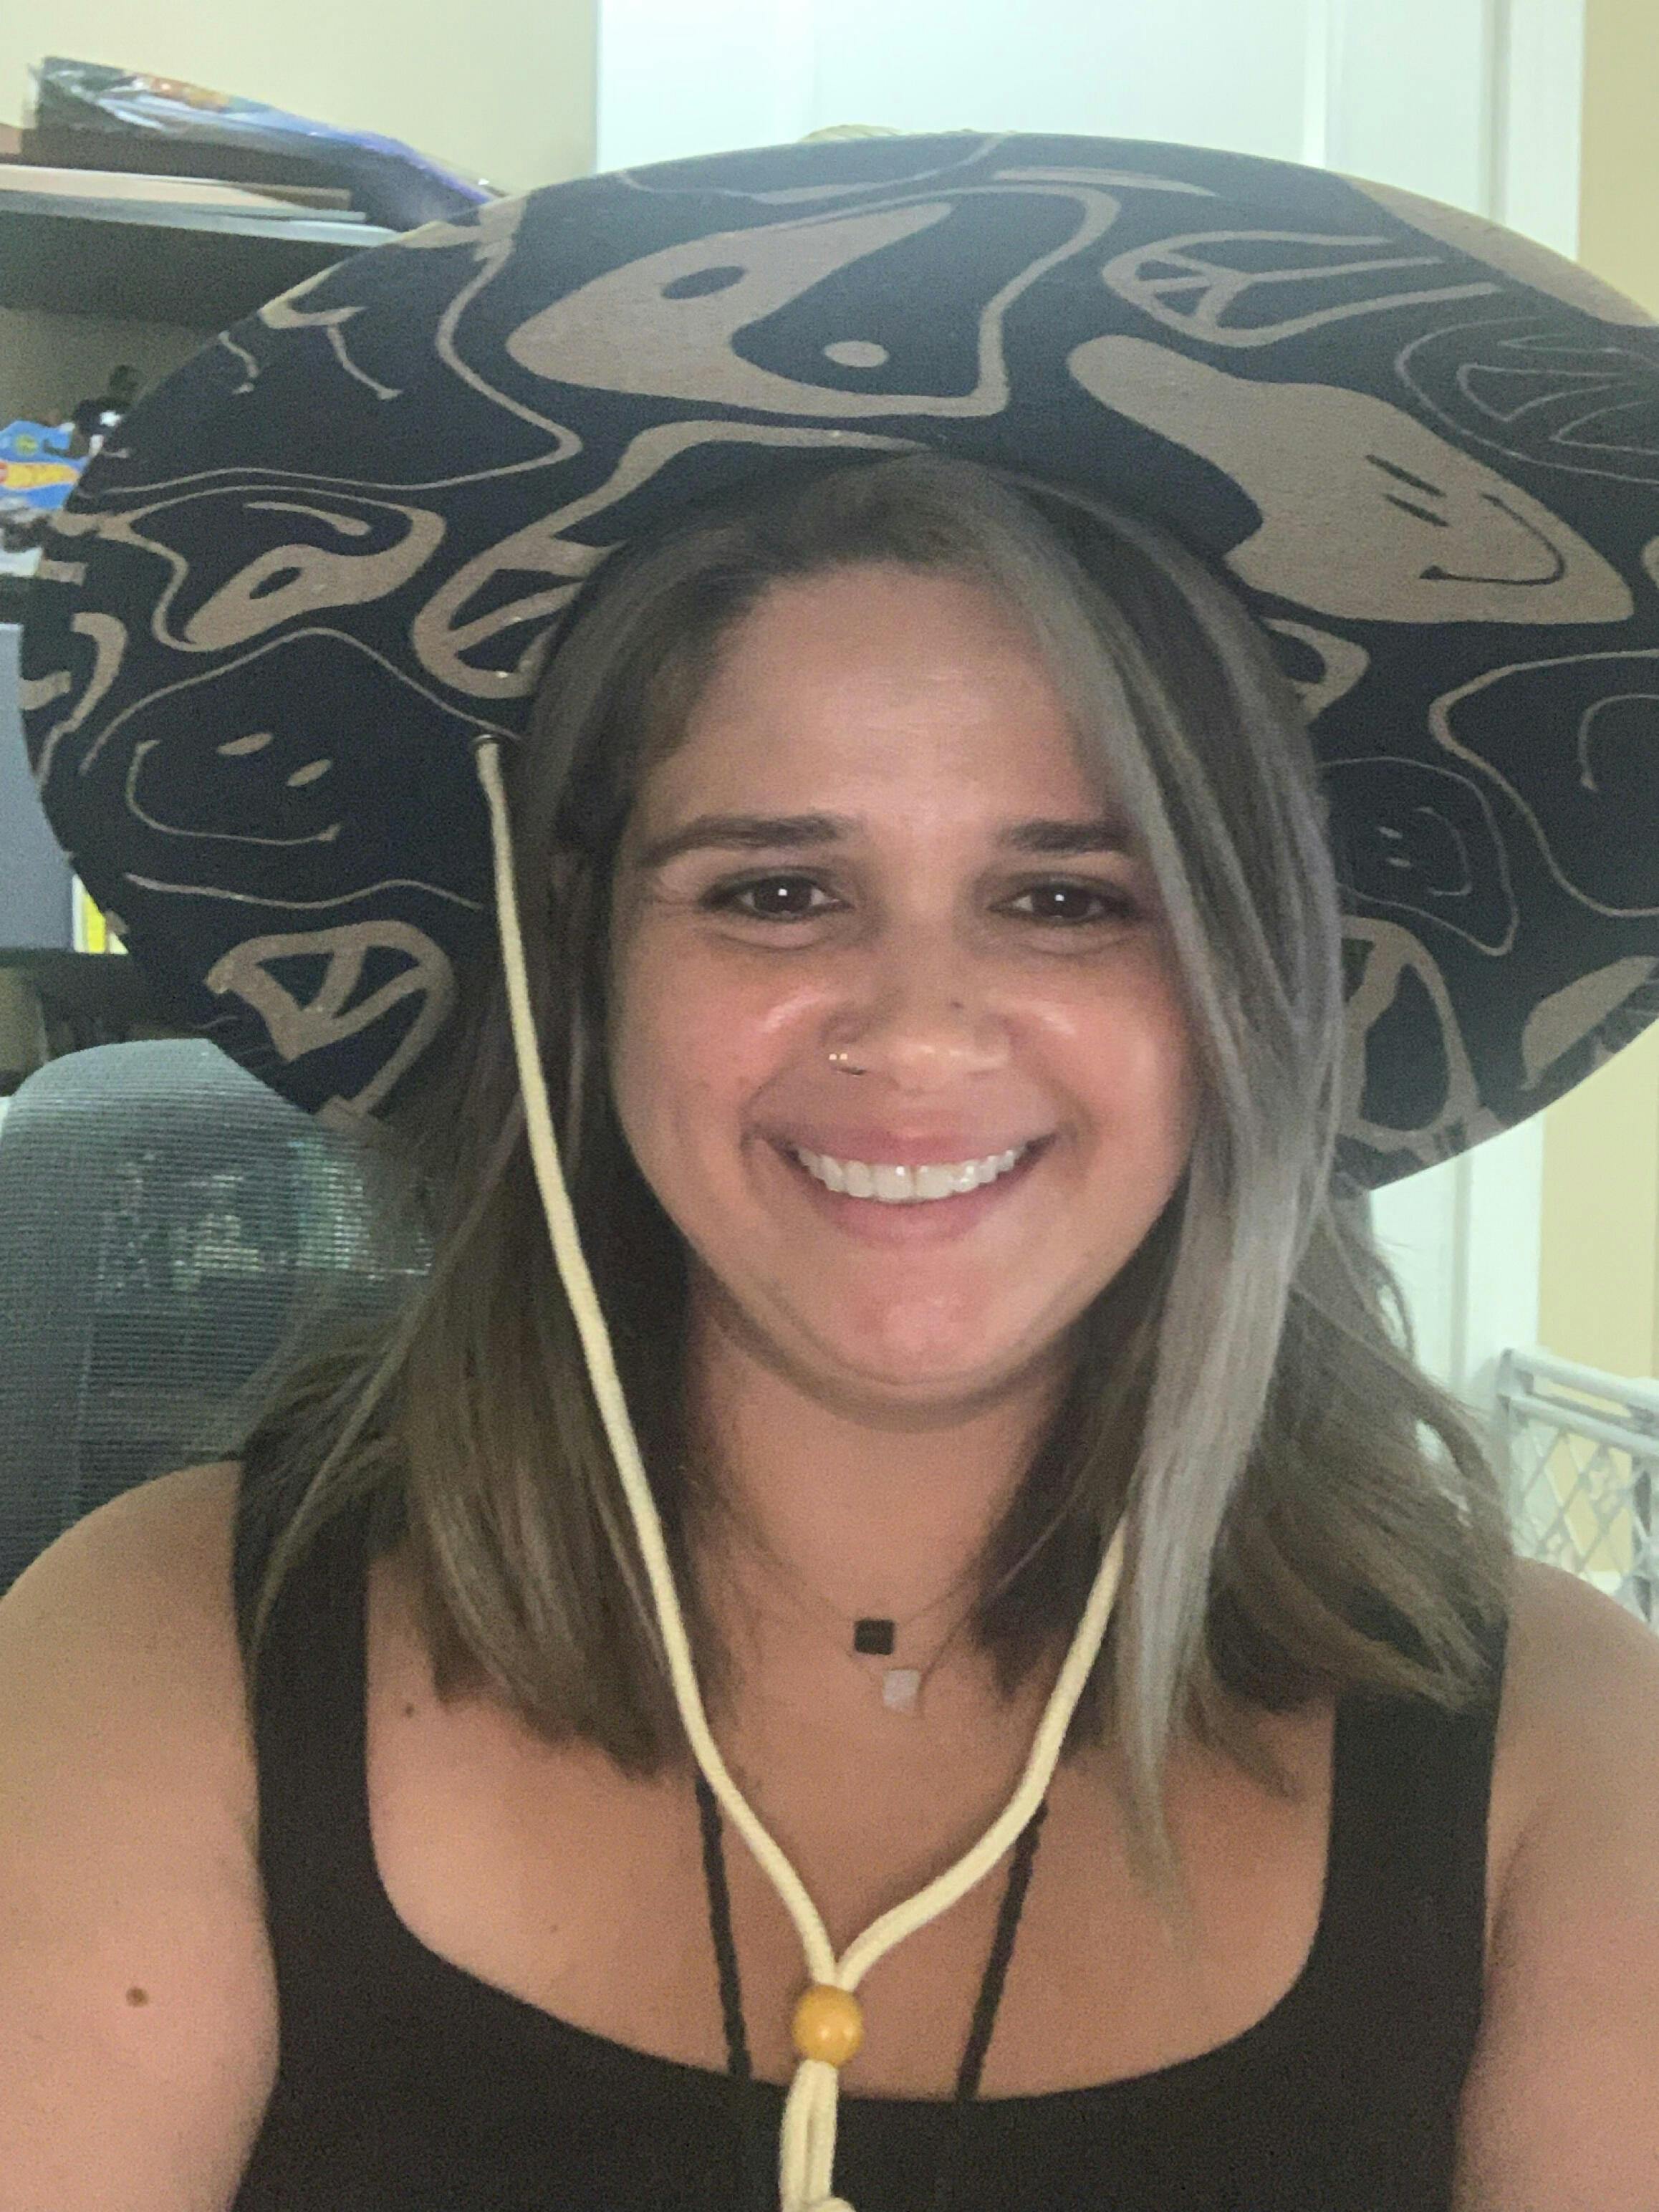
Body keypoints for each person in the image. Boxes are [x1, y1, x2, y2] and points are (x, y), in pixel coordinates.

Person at [5, 133, 1659, 2212]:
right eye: (775, 889)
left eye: (1068, 899)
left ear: (1247, 988)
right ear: (582, 965)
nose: (919, 1033)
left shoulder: (1558, 1758)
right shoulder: (165, 1653)